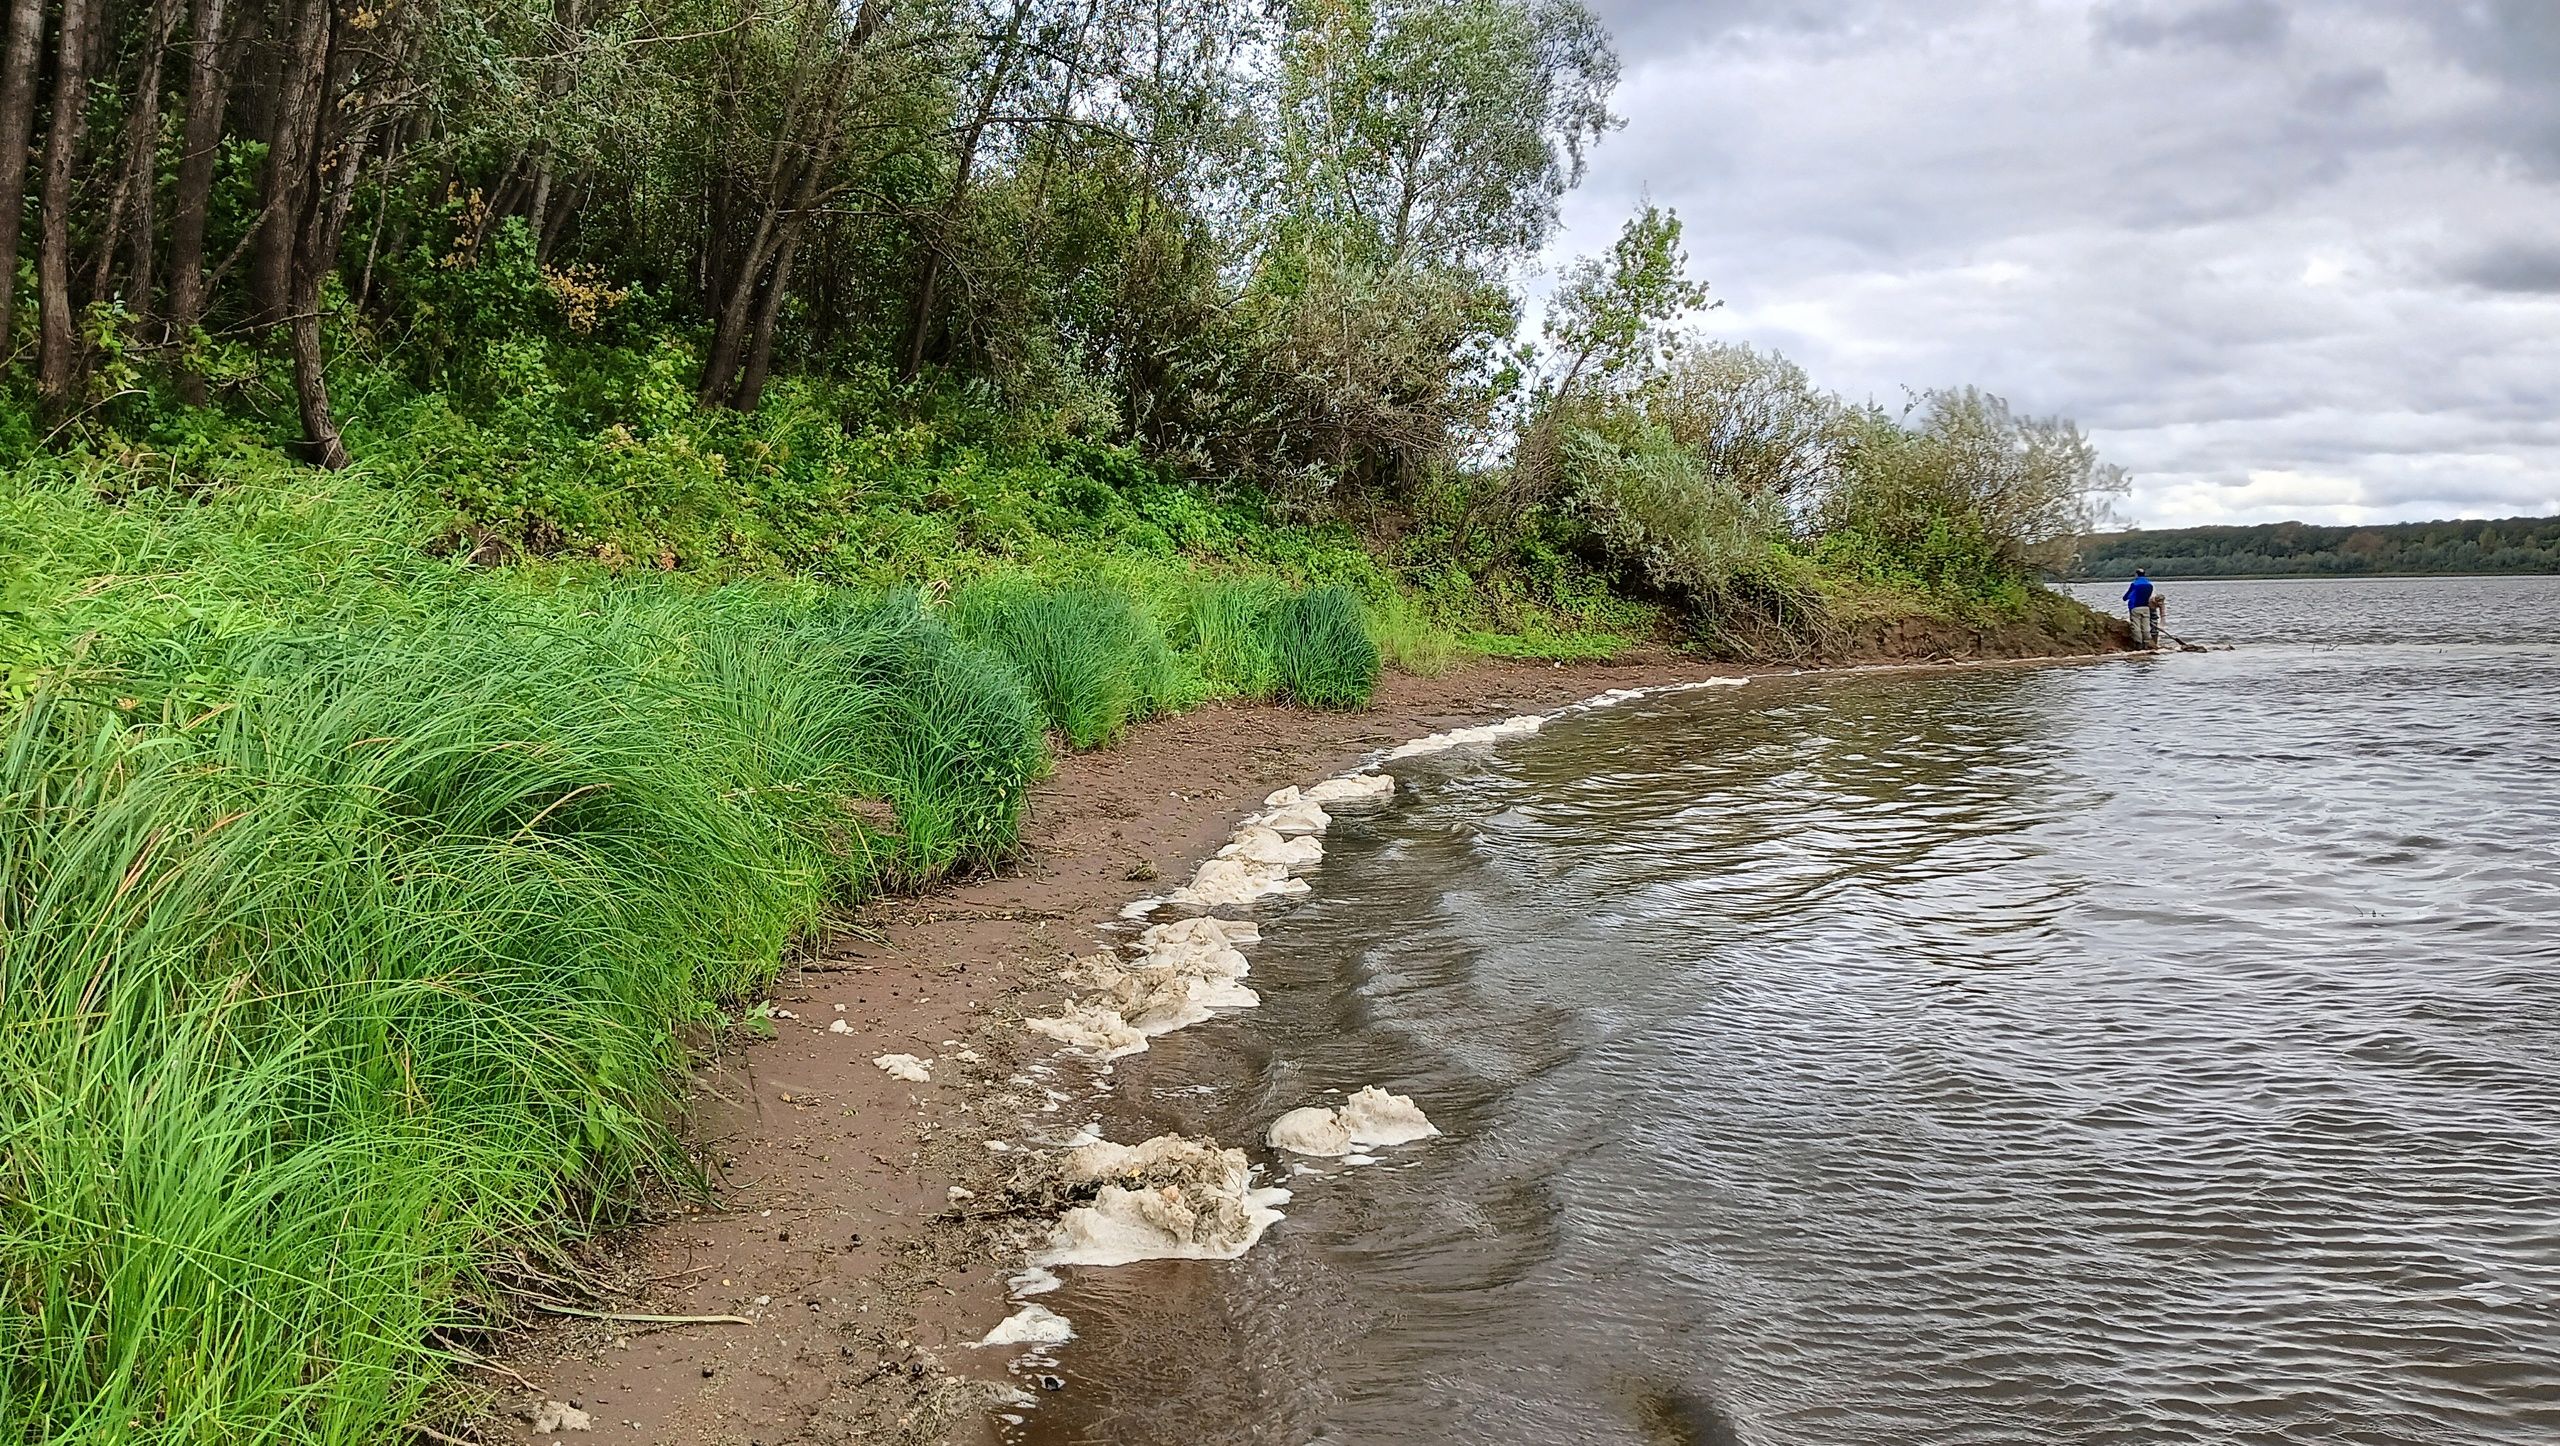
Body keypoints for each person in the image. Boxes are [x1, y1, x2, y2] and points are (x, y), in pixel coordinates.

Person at [2123, 569, 2157, 647]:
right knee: (2146, 626)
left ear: (2136, 575)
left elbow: (2127, 596)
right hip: (2146, 607)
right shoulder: (2149, 585)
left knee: (2136, 626)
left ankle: (2139, 643)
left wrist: (2125, 598)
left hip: (2135, 607)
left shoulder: (2134, 584)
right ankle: (2146, 643)